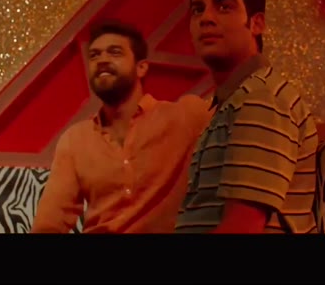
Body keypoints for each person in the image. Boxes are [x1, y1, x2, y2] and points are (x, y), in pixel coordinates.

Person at [175, 0, 319, 234]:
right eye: (197, 10)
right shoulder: (236, 100)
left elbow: (243, 227)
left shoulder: (261, 98)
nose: (206, 18)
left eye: (224, 7)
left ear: (257, 23)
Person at [31, 20, 211, 233]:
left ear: (141, 67)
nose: (102, 60)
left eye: (114, 52)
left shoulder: (185, 116)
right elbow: (49, 224)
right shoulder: (75, 140)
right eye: (94, 55)